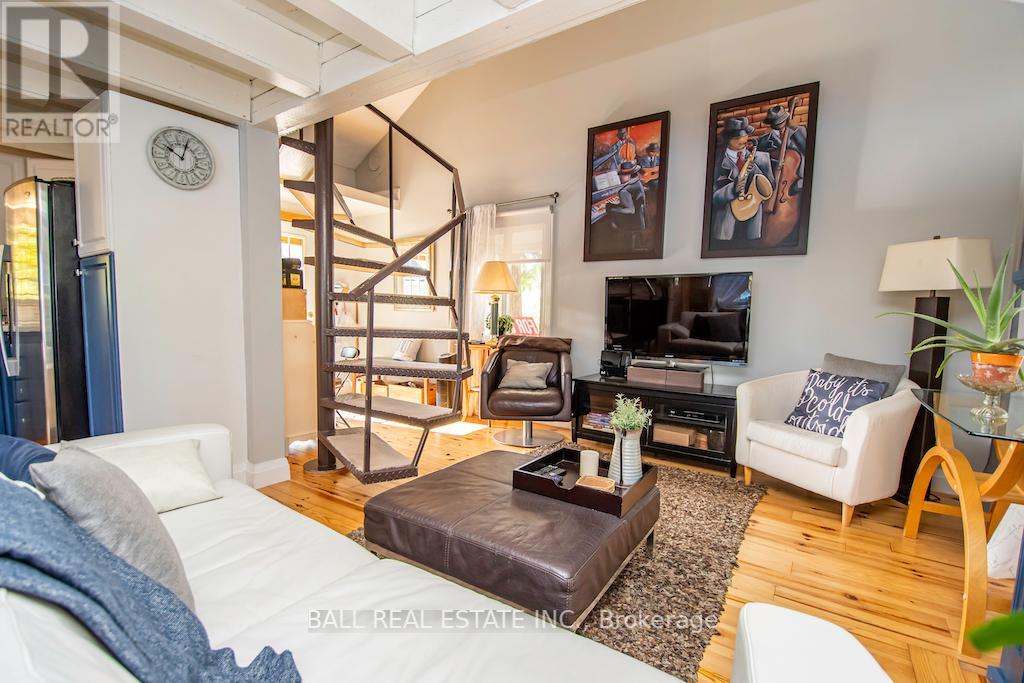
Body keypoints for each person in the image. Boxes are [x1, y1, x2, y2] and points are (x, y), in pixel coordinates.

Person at [711, 117, 775, 242]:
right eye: (737, 138)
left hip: (753, 219)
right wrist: (732, 188)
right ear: (729, 139)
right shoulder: (716, 162)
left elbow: (769, 183)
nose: (744, 141)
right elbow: (712, 197)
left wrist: (756, 169)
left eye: (745, 136)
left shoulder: (759, 158)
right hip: (727, 224)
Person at [756, 104, 807, 194]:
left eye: (781, 121)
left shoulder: (799, 132)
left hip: (799, 181)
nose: (779, 123)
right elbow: (759, 163)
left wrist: (796, 128)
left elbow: (807, 148)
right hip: (777, 183)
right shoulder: (763, 140)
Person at [606, 160, 646, 231]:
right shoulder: (638, 182)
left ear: (629, 175)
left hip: (631, 224)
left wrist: (610, 208)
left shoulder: (624, 190)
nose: (620, 177)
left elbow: (630, 210)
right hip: (640, 220)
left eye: (622, 175)